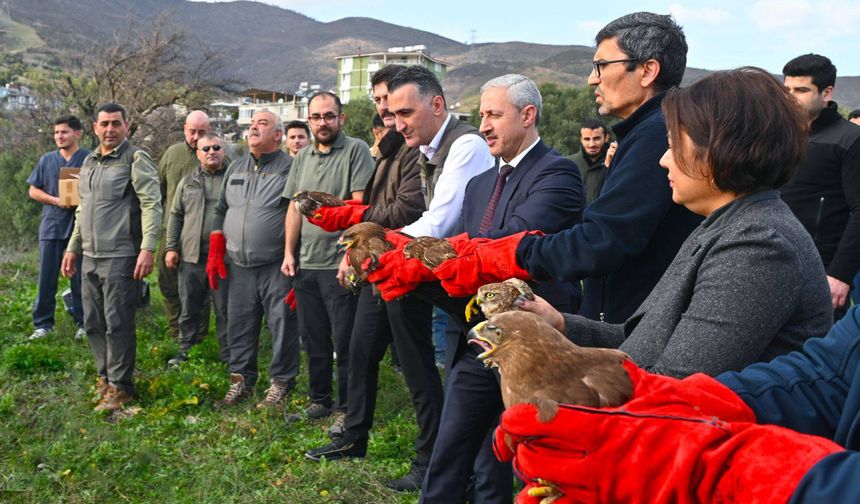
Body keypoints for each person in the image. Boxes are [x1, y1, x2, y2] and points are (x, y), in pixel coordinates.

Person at [496, 65, 838, 504]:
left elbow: (674, 385)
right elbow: (645, 340)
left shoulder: (759, 245)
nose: (662, 159)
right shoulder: (724, 224)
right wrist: (561, 326)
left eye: (674, 146)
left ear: (720, 149)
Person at [377, 13, 702, 327]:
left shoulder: (655, 136)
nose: (592, 78)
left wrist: (499, 252)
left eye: (601, 66)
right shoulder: (645, 133)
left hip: (635, 329)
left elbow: (604, 239)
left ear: (647, 71)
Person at [421, 74, 583, 504]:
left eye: (494, 114)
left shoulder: (559, 174)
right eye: (481, 115)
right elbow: (466, 250)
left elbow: (512, 240)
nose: (484, 125)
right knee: (453, 443)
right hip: (480, 338)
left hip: (536, 342)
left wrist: (448, 254)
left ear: (527, 115)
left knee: (516, 450)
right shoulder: (478, 186)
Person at [302, 64, 426, 469]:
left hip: (406, 269)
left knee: (418, 368)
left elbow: (408, 209)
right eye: (377, 102)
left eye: (386, 100)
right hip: (379, 268)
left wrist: (352, 221)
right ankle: (353, 437)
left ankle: (430, 459)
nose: (383, 108)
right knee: (358, 352)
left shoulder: (412, 150)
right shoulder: (389, 150)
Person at [61, 103, 162, 412]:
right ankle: (104, 378)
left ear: (126, 126)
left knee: (117, 322)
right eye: (104, 124)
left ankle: (121, 387)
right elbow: (82, 210)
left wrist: (148, 247)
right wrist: (72, 247)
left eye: (115, 123)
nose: (109, 129)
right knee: (92, 322)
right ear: (94, 128)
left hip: (121, 255)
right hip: (89, 255)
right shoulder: (89, 162)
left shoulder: (135, 158)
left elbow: (151, 204)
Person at [281, 92, 375, 422]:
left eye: (329, 116)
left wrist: (350, 256)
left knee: (346, 340)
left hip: (339, 264)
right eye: (317, 117)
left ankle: (348, 407)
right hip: (306, 263)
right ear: (309, 120)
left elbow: (360, 207)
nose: (323, 122)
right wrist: (289, 253)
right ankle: (319, 400)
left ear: (341, 118)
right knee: (314, 337)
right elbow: (294, 208)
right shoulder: (302, 157)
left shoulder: (356, 151)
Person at [209, 110, 299, 409]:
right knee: (239, 324)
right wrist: (216, 244)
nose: (253, 128)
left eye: (262, 124)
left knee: (282, 324)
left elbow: (297, 214)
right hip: (239, 266)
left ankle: (281, 384)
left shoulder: (291, 168)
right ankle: (241, 382)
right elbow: (221, 208)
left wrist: (293, 255)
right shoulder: (236, 167)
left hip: (276, 264)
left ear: (278, 135)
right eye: (251, 124)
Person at [780, 54, 860, 319]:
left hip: (821, 272)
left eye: (801, 90)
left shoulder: (850, 140)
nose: (790, 96)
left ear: (827, 92)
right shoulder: (778, 136)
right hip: (774, 262)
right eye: (787, 89)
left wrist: (840, 273)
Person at [164, 133, 230, 366]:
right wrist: (171, 247)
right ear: (198, 154)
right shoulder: (187, 181)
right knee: (189, 307)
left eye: (216, 147)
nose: (211, 152)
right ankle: (185, 351)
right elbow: (175, 216)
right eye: (206, 149)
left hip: (224, 257)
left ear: (223, 150)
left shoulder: (235, 179)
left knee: (224, 309)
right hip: (192, 256)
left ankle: (228, 355)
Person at [27, 115, 88, 341]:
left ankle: (83, 322)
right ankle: (43, 324)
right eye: (56, 133)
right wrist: (55, 200)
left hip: (80, 227)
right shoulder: (47, 160)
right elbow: (33, 190)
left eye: (64, 132)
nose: (59, 136)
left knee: (80, 277)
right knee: (47, 276)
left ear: (77, 133)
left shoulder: (88, 159)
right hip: (52, 225)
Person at [157, 110, 212, 342]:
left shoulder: (217, 155)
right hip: (170, 230)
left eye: (202, 132)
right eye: (192, 131)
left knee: (199, 288)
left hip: (200, 236)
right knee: (168, 283)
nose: (196, 136)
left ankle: (198, 335)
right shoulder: (172, 154)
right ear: (184, 130)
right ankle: (174, 329)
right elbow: (159, 190)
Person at [568, 118, 611, 206]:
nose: (592, 144)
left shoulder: (617, 161)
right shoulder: (568, 164)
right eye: (587, 139)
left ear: (606, 138)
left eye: (596, 138)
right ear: (581, 139)